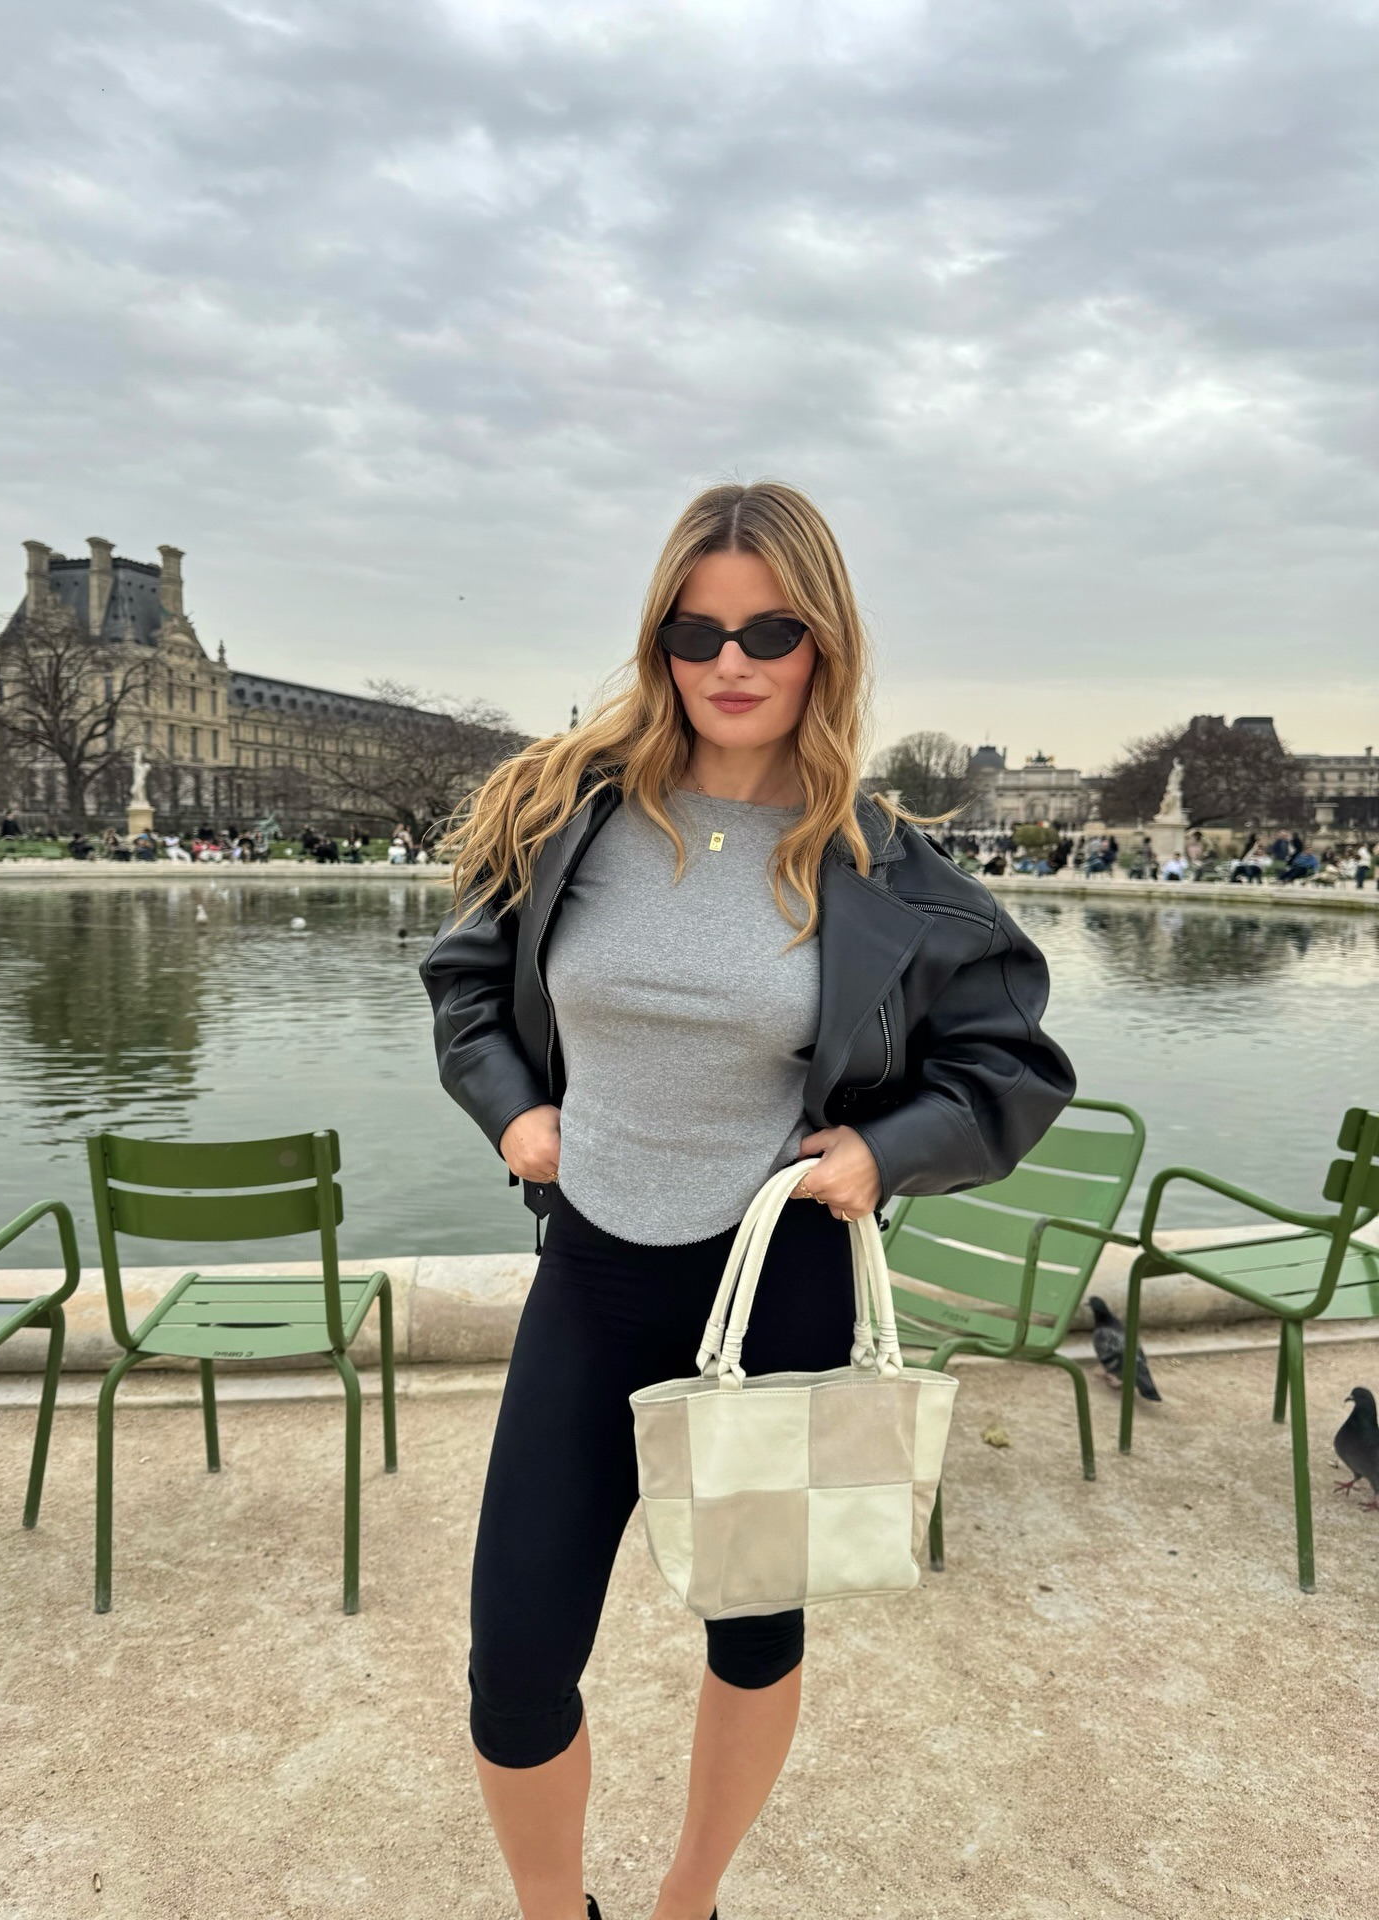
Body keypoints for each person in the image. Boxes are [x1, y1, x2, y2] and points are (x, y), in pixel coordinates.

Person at [419, 481, 1075, 1920]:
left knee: (753, 1632)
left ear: (823, 643)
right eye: (694, 630)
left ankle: (689, 1901)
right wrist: (515, 1110)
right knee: (514, 1662)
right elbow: (466, 985)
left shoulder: (883, 864)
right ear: (658, 642)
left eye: (770, 630)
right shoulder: (564, 813)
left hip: (773, 1286)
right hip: (594, 1274)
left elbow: (1012, 1059)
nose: (732, 662)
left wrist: (876, 1156)